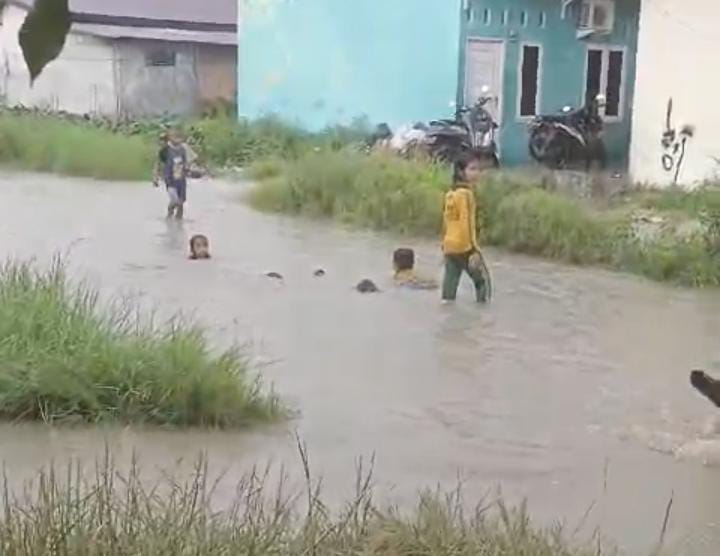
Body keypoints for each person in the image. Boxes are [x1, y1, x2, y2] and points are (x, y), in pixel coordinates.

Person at [441, 152, 491, 303]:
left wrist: (443, 244)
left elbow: (446, 222)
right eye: (472, 169)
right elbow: (466, 223)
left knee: (449, 290)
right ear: (461, 172)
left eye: (478, 169)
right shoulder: (466, 195)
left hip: (449, 246)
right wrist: (474, 250)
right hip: (465, 247)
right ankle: (483, 314)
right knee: (483, 283)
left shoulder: (450, 193)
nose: (477, 173)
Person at [153, 128, 196, 220]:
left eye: (179, 137)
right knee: (174, 200)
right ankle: (169, 214)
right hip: (170, 180)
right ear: (169, 138)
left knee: (181, 203)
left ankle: (178, 223)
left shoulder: (183, 149)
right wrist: (155, 177)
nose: (177, 139)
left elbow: (188, 162)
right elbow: (158, 164)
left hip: (181, 181)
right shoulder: (165, 150)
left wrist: (189, 169)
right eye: (174, 136)